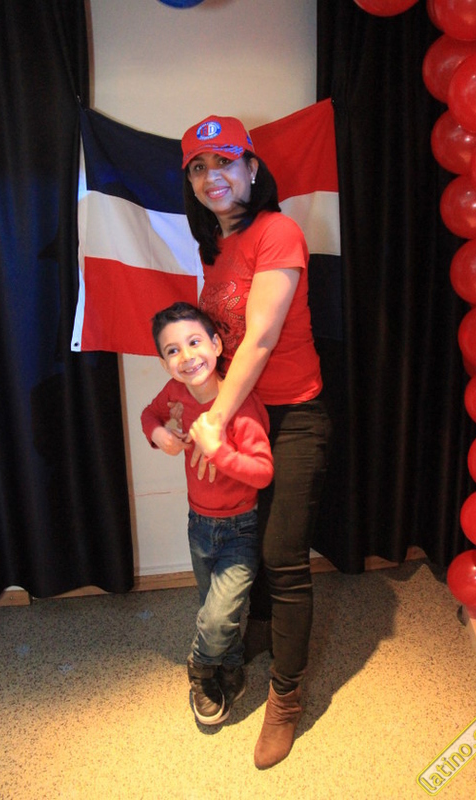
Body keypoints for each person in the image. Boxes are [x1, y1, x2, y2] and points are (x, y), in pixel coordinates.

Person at [180, 115, 332, 769]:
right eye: (198, 167)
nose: (211, 175)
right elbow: (214, 345)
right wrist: (184, 411)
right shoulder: (213, 247)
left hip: (291, 416)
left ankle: (286, 697)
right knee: (245, 540)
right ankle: (262, 634)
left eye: (223, 161)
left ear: (250, 168)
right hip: (240, 417)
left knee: (281, 556)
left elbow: (262, 338)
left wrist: (214, 421)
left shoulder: (278, 231)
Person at [140, 301, 274, 727]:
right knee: (215, 607)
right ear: (164, 363)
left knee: (217, 615)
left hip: (240, 528)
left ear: (216, 345)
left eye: (194, 342)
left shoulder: (242, 405)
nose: (186, 356)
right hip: (198, 524)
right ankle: (229, 668)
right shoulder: (175, 393)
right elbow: (149, 414)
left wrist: (219, 451)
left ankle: (200, 667)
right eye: (173, 350)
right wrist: (159, 433)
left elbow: (263, 472)